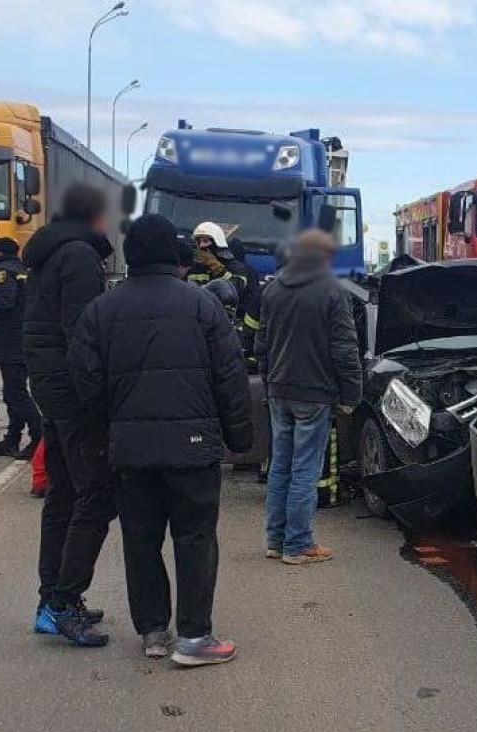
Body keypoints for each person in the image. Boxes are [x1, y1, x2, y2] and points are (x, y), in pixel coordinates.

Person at [69, 214, 252, 666]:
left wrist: (105, 429)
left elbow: (84, 378)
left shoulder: (102, 309)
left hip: (132, 451)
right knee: (194, 538)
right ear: (174, 255)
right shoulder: (201, 305)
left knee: (141, 539)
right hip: (193, 447)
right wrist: (239, 438)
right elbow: (231, 376)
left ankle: (153, 631)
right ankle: (194, 638)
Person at [22, 183, 118, 647]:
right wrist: (99, 399)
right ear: (95, 218)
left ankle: (52, 601)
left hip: (49, 387)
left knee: (62, 495)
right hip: (73, 394)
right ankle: (63, 603)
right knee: (96, 495)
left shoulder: (48, 254)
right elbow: (84, 336)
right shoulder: (78, 256)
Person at [255, 229, 362, 565]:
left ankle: (275, 540)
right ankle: (298, 544)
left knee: (280, 466)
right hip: (313, 394)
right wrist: (351, 394)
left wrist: (269, 380)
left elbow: (261, 344)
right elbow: (345, 350)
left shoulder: (273, 289)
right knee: (305, 469)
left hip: (279, 390)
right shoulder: (332, 292)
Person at [0, 238, 41, 459]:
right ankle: (12, 439)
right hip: (20, 338)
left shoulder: (3, 273)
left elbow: (4, 301)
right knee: (13, 392)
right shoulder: (20, 269)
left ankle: (38, 435)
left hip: (10, 341)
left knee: (15, 393)